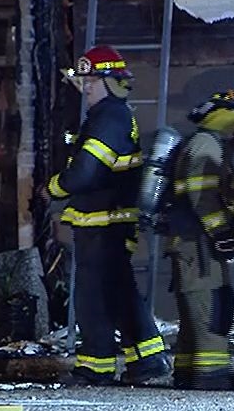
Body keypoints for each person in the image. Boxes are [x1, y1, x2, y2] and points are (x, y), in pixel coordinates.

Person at [49, 45, 170, 387]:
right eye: (84, 81)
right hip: (108, 221)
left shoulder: (108, 118)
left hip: (103, 222)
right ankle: (146, 359)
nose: (85, 87)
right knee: (117, 291)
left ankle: (96, 366)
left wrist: (54, 188)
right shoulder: (114, 115)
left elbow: (85, 172)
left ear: (110, 82)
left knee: (92, 295)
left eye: (92, 81)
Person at [168, 90, 234, 390]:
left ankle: (188, 373)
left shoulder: (202, 144)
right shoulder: (207, 146)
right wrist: (222, 234)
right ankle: (211, 376)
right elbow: (202, 196)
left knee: (197, 312)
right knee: (211, 310)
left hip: (193, 244)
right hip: (199, 246)